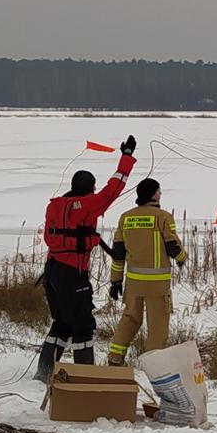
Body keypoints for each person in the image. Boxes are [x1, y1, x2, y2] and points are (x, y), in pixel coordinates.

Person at [36, 135, 138, 381]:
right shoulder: (88, 204)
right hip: (72, 275)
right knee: (83, 327)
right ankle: (85, 375)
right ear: (90, 188)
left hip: (51, 272)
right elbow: (113, 189)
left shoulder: (55, 206)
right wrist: (126, 158)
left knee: (61, 323)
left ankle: (44, 373)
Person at [104, 178, 182, 367]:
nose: (160, 194)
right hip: (157, 285)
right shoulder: (163, 217)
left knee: (130, 319)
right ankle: (153, 365)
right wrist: (182, 258)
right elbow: (174, 247)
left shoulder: (126, 217)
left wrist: (115, 282)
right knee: (158, 326)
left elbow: (118, 254)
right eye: (159, 191)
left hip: (134, 284)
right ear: (154, 194)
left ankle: (115, 357)